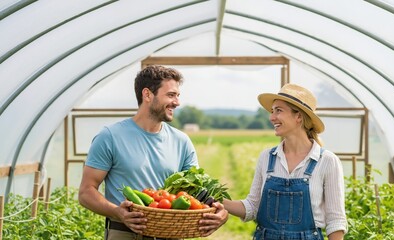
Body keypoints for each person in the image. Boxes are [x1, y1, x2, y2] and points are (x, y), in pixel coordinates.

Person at [79, 65, 228, 240]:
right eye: (171, 95)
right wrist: (117, 212)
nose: (177, 102)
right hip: (125, 234)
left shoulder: (182, 141)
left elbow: (194, 191)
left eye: (177, 96)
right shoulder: (110, 136)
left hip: (170, 234)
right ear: (148, 95)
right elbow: (86, 192)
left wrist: (219, 212)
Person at [223, 84, 347, 240]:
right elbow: (252, 207)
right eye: (272, 111)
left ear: (299, 117)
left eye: (278, 111)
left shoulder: (327, 161)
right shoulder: (267, 157)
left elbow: (335, 221)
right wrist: (216, 200)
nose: (272, 117)